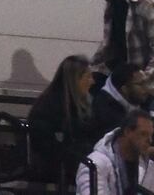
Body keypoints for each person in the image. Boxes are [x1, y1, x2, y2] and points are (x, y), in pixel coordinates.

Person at [29, 55, 107, 184]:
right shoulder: (49, 108)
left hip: (77, 164)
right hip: (57, 169)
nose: (92, 81)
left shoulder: (85, 104)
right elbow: (47, 147)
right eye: (87, 77)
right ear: (75, 80)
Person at [77, 109, 154, 195]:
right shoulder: (95, 164)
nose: (150, 140)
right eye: (143, 134)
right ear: (127, 132)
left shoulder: (150, 168)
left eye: (151, 135)